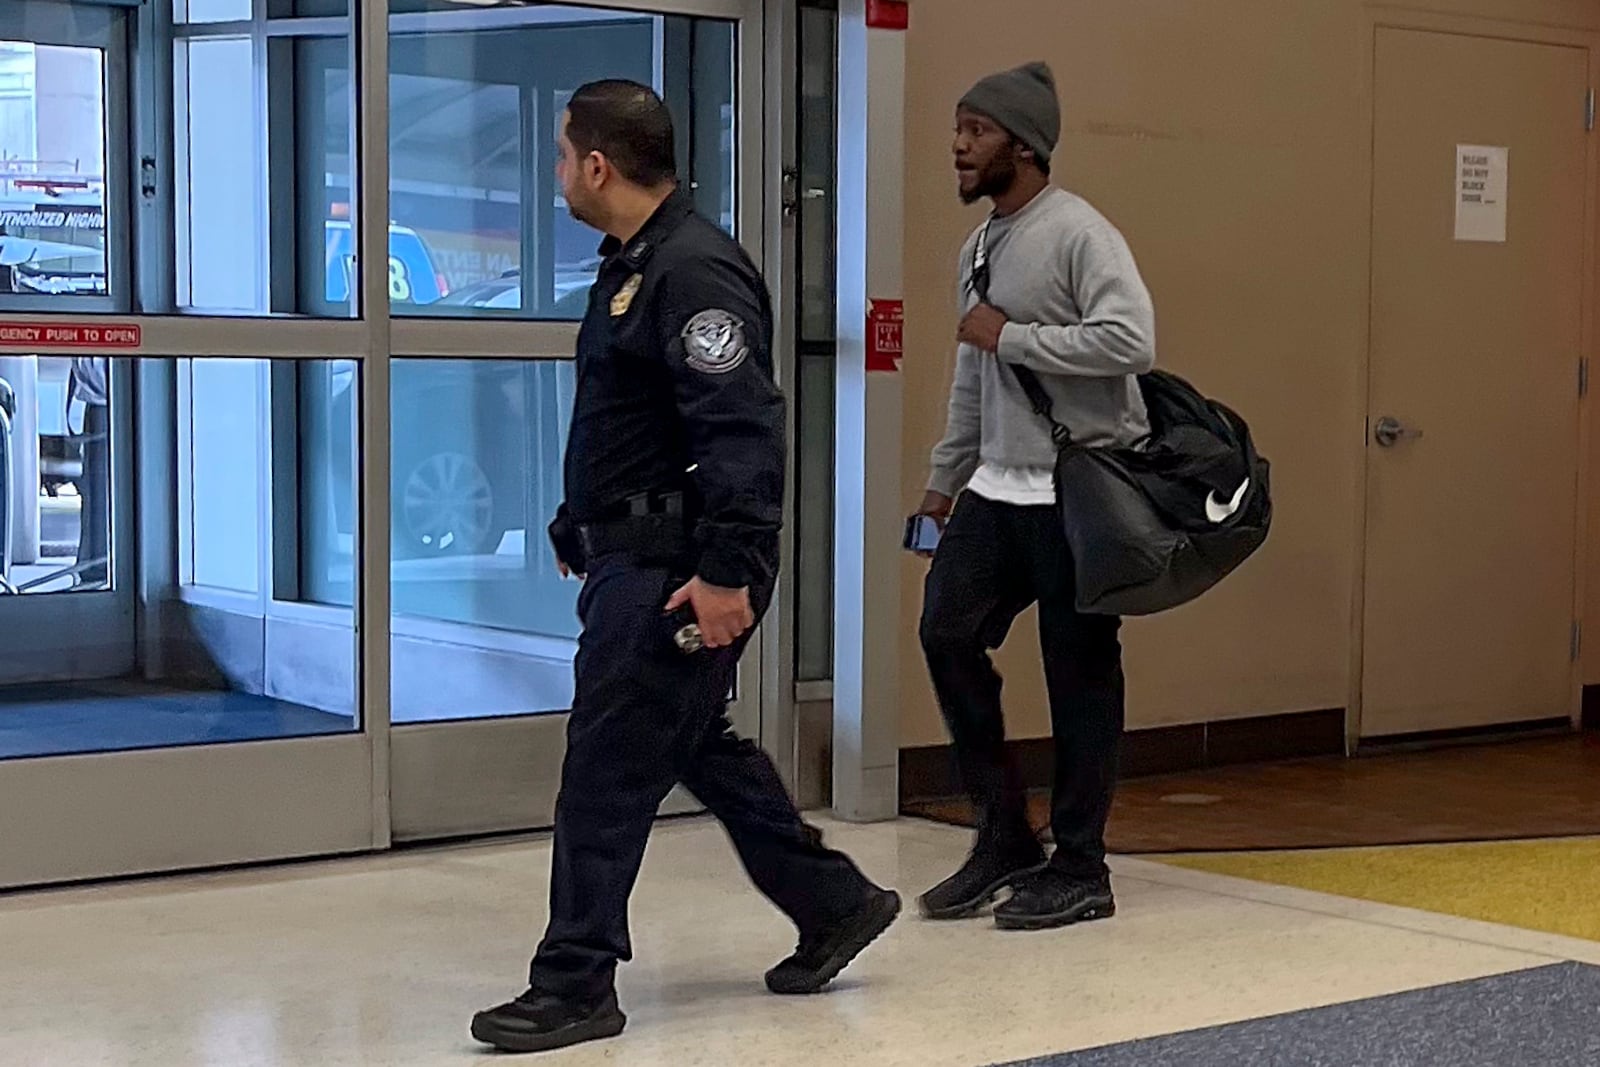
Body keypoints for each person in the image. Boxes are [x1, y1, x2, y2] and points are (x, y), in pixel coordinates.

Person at [471, 80, 899, 1056]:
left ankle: (575, 978)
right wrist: (582, 517)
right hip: (642, 549)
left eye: (559, 153)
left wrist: (728, 572)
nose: (555, 173)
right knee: (693, 739)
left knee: (605, 767)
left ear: (596, 163)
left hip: (681, 565)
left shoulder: (692, 270)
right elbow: (646, 422)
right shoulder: (638, 264)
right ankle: (834, 900)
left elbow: (743, 431)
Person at [914, 62, 1156, 931]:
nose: (958, 146)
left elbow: (1131, 339)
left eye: (975, 131)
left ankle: (1082, 863)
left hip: (1074, 488)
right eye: (958, 128)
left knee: (1079, 673)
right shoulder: (977, 248)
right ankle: (1005, 833)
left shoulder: (1081, 233)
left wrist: (1015, 335)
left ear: (1024, 142)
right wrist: (944, 481)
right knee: (945, 631)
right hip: (995, 486)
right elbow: (971, 376)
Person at [68, 356, 109, 588]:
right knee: (95, 493)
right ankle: (93, 564)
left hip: (106, 401)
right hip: (96, 403)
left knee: (100, 492)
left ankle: (97, 565)